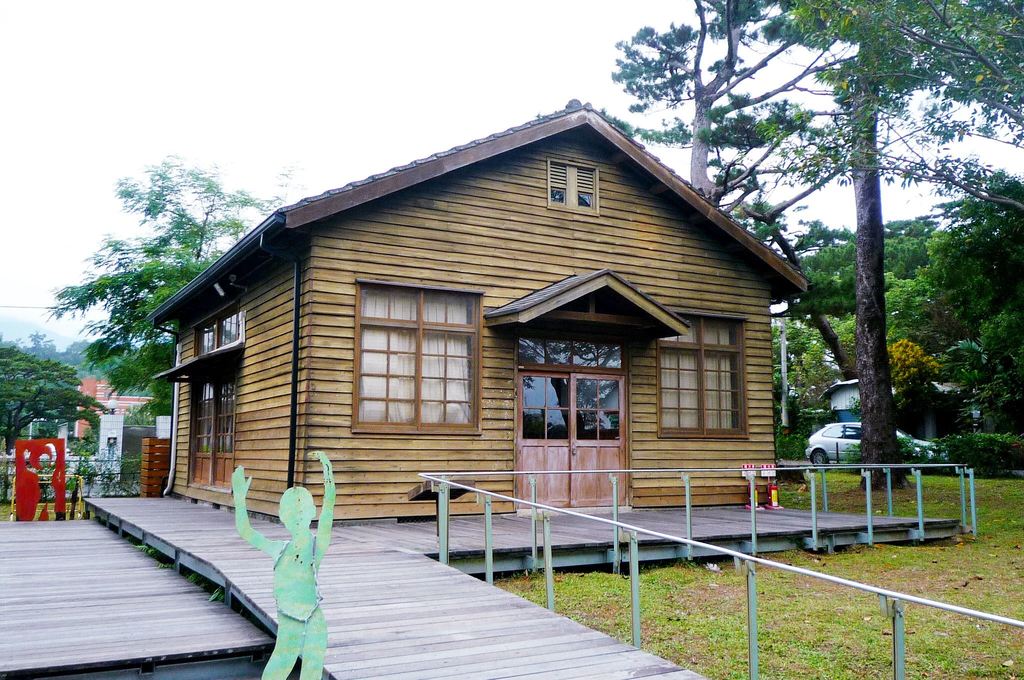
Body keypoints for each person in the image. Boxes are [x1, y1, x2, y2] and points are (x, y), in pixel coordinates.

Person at [232, 451, 335, 680]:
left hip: (314, 618)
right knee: (280, 665)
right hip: (290, 618)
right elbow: (246, 531)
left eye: (302, 510)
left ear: (311, 513)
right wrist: (239, 499)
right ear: (283, 517)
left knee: (313, 667)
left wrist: (327, 472)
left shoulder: (316, 547)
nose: (297, 516)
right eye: (292, 512)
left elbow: (328, 511)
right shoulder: (278, 549)